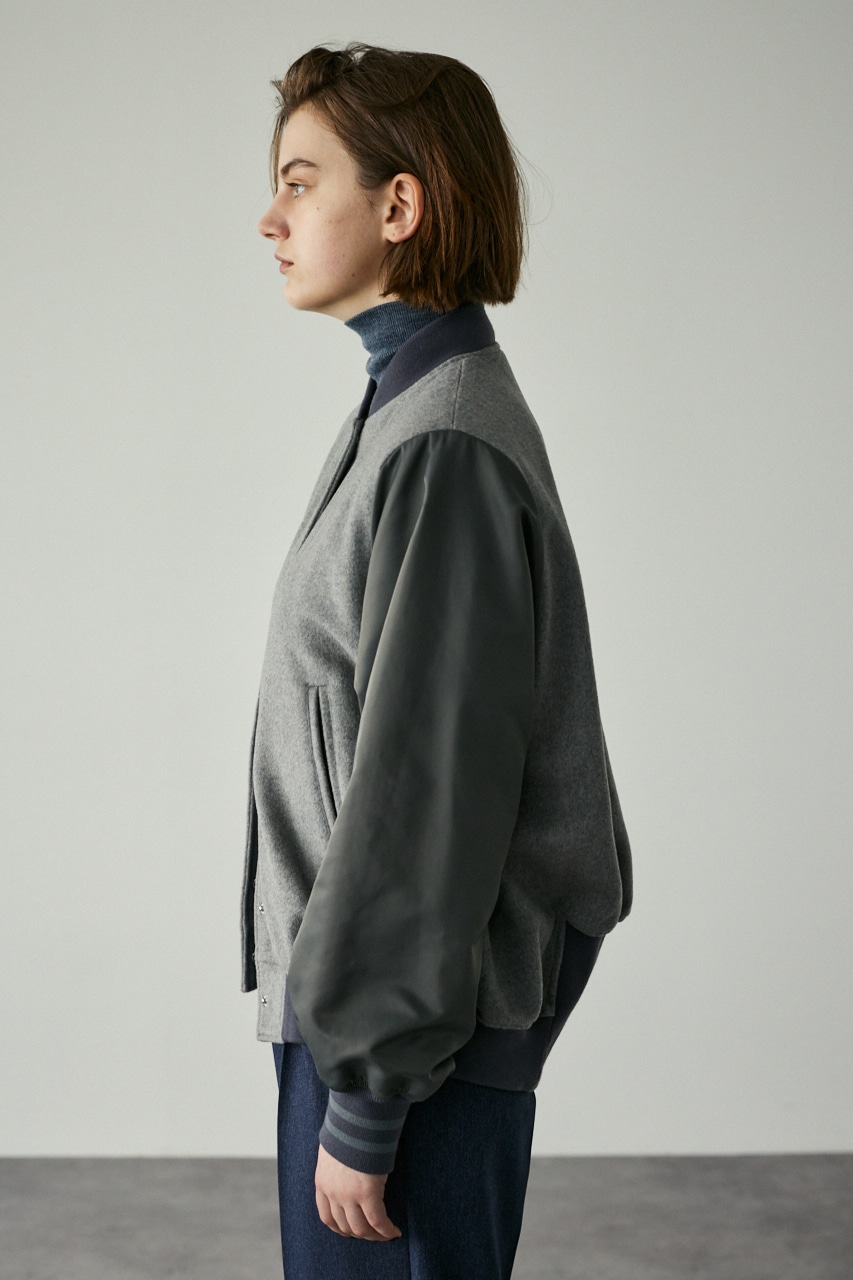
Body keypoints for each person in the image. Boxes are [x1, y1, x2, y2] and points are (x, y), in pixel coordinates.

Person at [243, 40, 634, 1279]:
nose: (269, 219)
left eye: (300, 181)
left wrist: (367, 1102)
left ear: (399, 204)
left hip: (411, 1058)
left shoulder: (442, 443)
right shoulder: (406, 414)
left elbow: (428, 802)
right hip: (387, 1029)